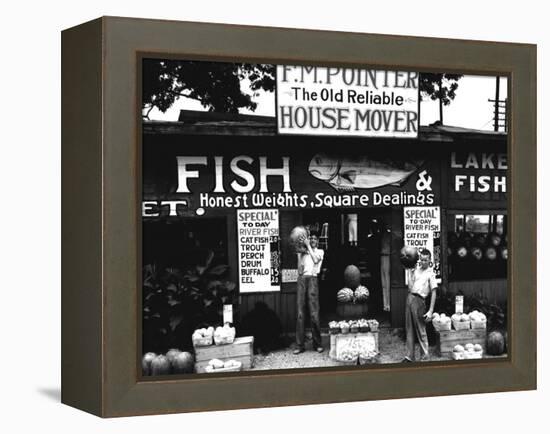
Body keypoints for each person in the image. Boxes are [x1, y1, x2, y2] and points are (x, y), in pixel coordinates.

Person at [403, 248, 437, 362]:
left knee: (421, 330)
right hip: (410, 298)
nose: (423, 262)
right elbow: (410, 287)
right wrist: (411, 273)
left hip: (420, 301)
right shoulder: (416, 270)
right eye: (421, 260)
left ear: (429, 260)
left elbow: (434, 292)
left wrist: (431, 310)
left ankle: (425, 357)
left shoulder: (431, 274)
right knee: (409, 328)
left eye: (425, 260)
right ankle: (409, 356)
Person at [294, 233, 325, 354]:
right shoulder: (303, 252)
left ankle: (317, 344)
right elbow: (300, 271)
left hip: (313, 279)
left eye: (314, 239)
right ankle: (299, 345)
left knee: (314, 313)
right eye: (310, 238)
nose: (312, 240)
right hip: (302, 280)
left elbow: (316, 260)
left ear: (317, 242)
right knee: (300, 314)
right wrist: (300, 255)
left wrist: (308, 247)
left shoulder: (319, 251)